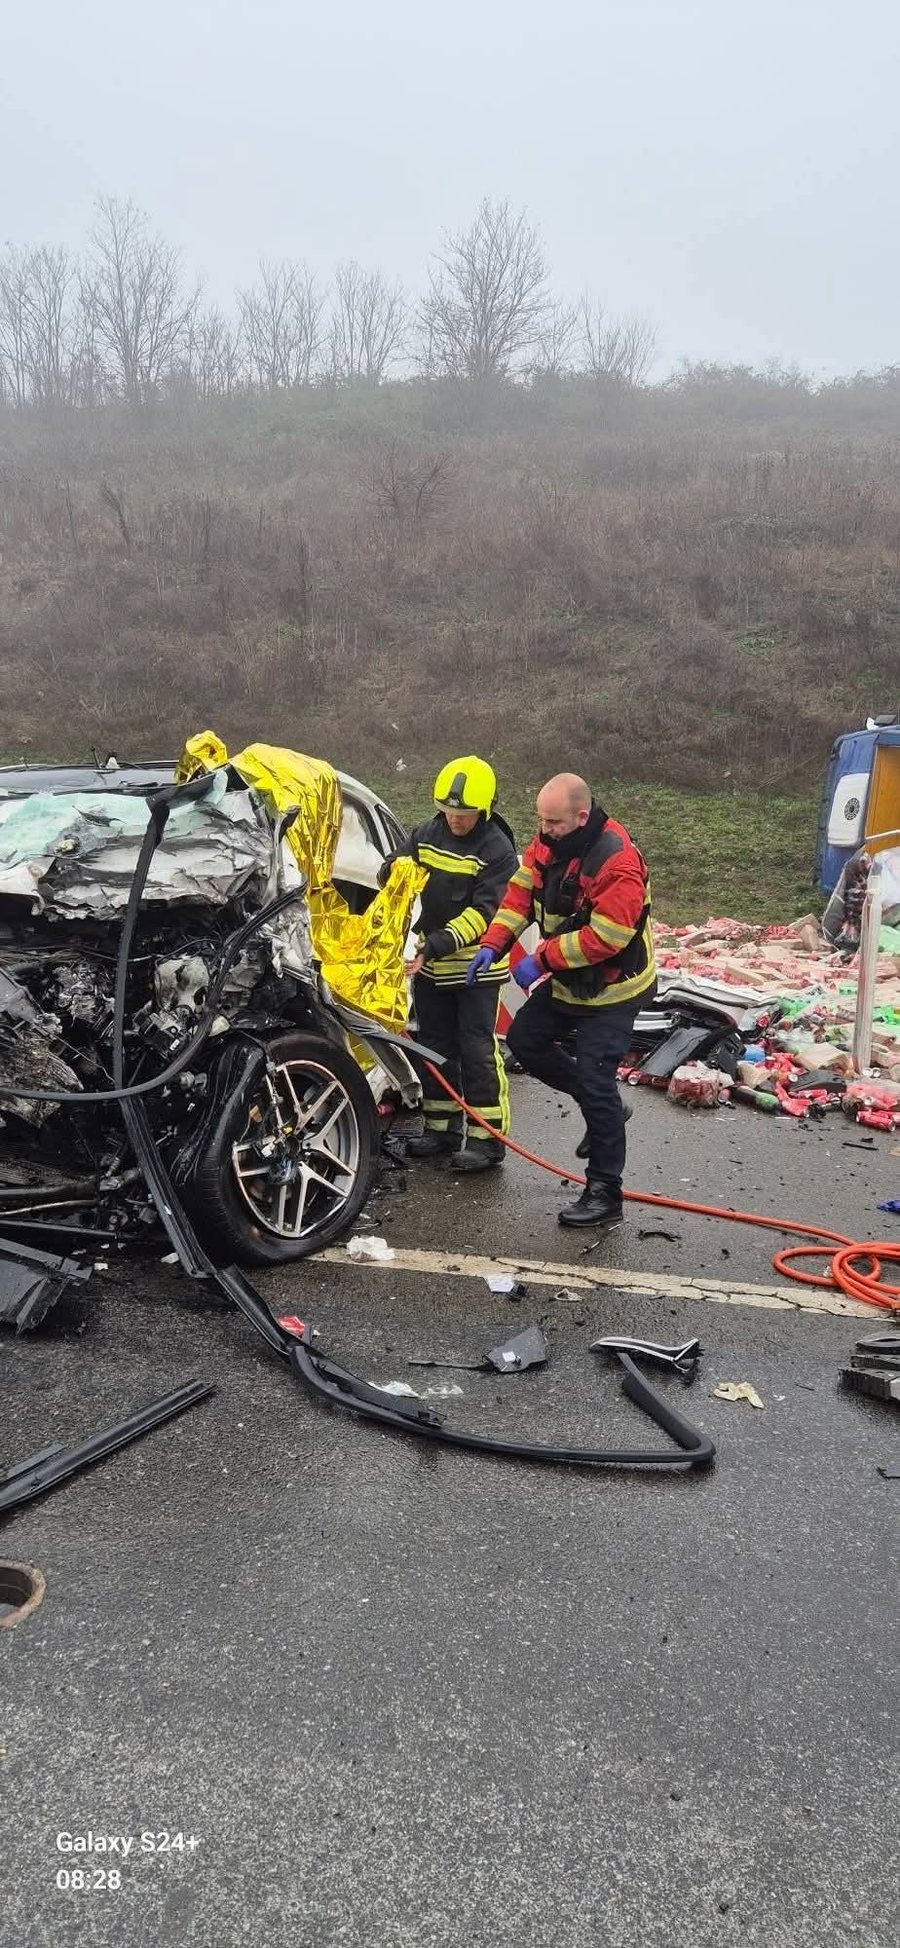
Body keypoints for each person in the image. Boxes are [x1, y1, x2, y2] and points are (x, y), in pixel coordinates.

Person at [468, 772, 656, 1226]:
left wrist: (542, 958)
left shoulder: (617, 861)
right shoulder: (549, 842)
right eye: (541, 820)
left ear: (582, 816)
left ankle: (605, 1191)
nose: (544, 829)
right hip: (571, 980)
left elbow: (608, 937)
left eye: (553, 822)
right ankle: (608, 1106)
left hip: (613, 988)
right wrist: (494, 942)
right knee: (528, 1042)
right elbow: (518, 896)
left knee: (595, 1079)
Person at [381, 756, 518, 1172]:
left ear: (485, 808)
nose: (456, 821)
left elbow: (486, 914)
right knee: (434, 1047)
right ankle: (440, 1130)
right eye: (450, 812)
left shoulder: (497, 849)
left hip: (475, 968)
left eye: (465, 814)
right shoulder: (427, 833)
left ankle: (486, 1140)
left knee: (476, 1050)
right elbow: (399, 868)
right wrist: (390, 873)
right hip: (430, 966)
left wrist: (435, 943)